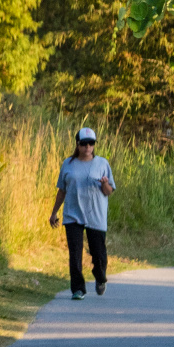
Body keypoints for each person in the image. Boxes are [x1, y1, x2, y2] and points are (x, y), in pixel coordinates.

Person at [49, 126, 117, 299]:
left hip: (96, 216)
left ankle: (100, 277)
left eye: (91, 143)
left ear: (94, 145)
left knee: (99, 255)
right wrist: (54, 212)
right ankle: (78, 289)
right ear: (78, 144)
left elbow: (109, 191)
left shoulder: (102, 164)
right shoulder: (68, 164)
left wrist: (104, 184)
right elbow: (62, 190)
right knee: (75, 253)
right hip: (73, 214)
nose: (88, 147)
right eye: (84, 143)